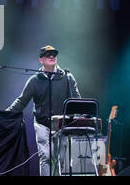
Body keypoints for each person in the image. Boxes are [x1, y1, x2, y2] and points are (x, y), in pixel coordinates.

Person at [6, 45, 81, 176]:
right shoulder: (34, 80)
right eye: (48, 55)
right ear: (41, 60)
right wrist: (5, 114)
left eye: (54, 54)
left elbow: (77, 100)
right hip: (42, 124)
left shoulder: (67, 77)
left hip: (62, 125)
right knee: (46, 157)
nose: (52, 56)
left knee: (62, 159)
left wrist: (80, 116)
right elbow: (21, 101)